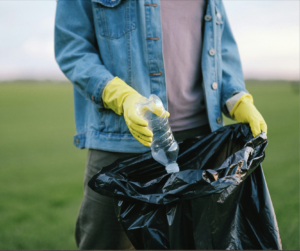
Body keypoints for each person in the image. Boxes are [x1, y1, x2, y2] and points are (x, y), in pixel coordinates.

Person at [55, 0, 267, 249]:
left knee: (196, 242)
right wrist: (122, 97)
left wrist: (237, 98)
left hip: (201, 143)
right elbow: (73, 48)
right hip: (120, 140)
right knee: (105, 244)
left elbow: (221, 48)